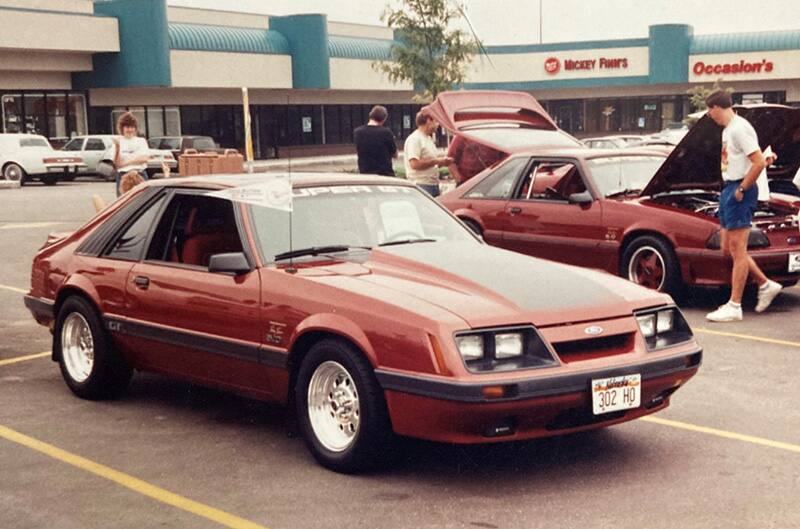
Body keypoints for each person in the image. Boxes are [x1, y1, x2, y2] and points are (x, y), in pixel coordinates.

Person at [705, 90, 782, 322]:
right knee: (728, 248)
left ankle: (734, 305)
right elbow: (755, 159)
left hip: (740, 189)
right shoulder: (729, 130)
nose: (709, 115)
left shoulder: (739, 128)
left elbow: (756, 161)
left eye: (710, 110)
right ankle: (765, 283)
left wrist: (742, 189)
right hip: (729, 187)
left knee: (738, 249)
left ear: (719, 107)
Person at [403, 111, 451, 197]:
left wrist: (443, 160)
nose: (438, 125)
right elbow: (414, 164)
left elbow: (433, 159)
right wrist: (436, 161)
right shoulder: (415, 139)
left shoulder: (429, 138)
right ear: (429, 121)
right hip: (421, 185)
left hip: (433, 184)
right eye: (436, 121)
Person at [111, 112, 150, 196]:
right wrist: (117, 148)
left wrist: (126, 163)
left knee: (144, 198)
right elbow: (117, 163)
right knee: (123, 201)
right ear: (122, 128)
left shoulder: (141, 141)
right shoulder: (118, 141)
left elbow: (145, 159)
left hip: (139, 173)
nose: (130, 130)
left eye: (132, 127)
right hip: (123, 175)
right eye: (127, 127)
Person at [354, 105, 398, 176]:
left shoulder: (358, 132)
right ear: (384, 118)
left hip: (365, 173)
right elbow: (395, 154)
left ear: (370, 115)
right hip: (385, 173)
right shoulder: (386, 132)